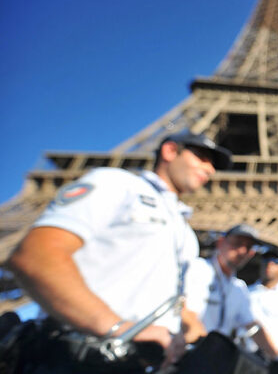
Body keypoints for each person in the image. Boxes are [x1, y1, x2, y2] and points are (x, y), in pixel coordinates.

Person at [5, 131, 232, 371]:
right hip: (79, 357)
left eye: (213, 165)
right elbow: (36, 256)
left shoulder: (186, 234)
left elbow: (176, 303)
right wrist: (116, 327)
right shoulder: (117, 184)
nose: (210, 169)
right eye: (202, 157)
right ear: (170, 151)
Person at [182, 223, 278, 358]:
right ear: (220, 242)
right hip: (188, 355)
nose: (241, 251)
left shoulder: (239, 288)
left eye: (248, 247)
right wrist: (209, 348)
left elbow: (253, 326)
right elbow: (186, 314)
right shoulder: (198, 269)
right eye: (237, 243)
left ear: (252, 253)